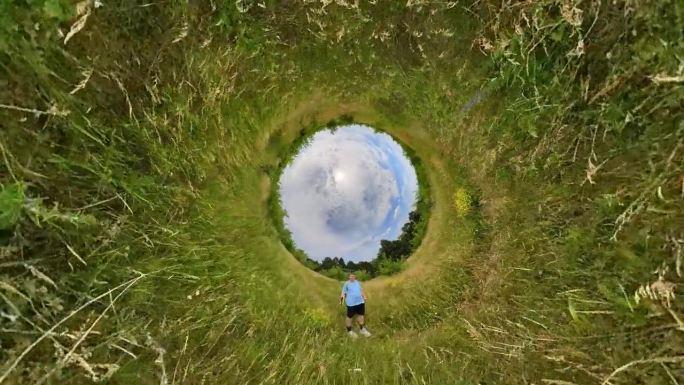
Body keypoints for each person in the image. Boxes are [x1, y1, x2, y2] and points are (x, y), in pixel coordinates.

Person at [339, 273, 371, 338]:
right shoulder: (346, 284)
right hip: (351, 303)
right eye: (350, 276)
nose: (352, 277)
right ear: (348, 277)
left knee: (361, 315)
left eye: (353, 276)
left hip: (360, 302)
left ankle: (362, 329)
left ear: (355, 277)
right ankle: (349, 331)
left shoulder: (358, 282)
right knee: (349, 316)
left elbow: (361, 290)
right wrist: (341, 301)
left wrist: (364, 297)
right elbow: (343, 292)